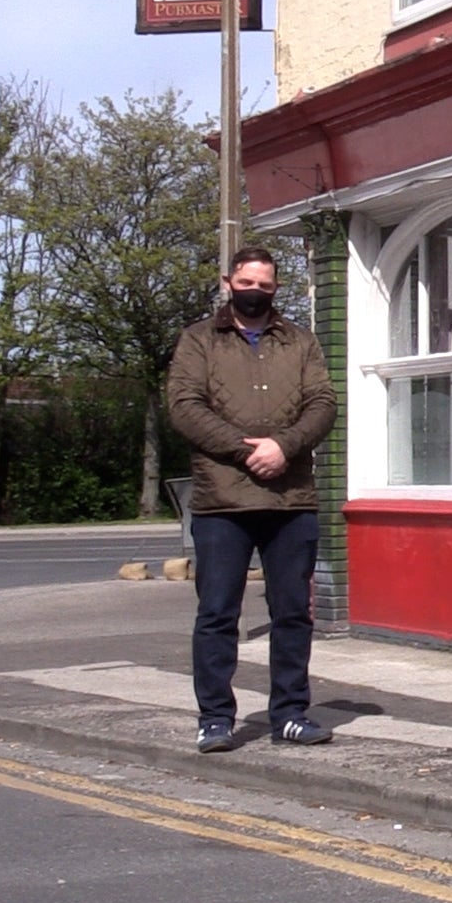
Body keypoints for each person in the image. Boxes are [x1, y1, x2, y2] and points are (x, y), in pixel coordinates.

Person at [167, 245, 337, 753]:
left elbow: (323, 404)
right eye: (247, 283)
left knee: (292, 614)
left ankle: (290, 713)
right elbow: (184, 407)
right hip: (223, 503)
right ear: (228, 282)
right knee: (217, 614)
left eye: (265, 285)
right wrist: (247, 452)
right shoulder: (197, 341)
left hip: (291, 501)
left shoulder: (301, 343)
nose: (255, 293)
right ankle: (216, 718)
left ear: (275, 287)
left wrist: (285, 446)